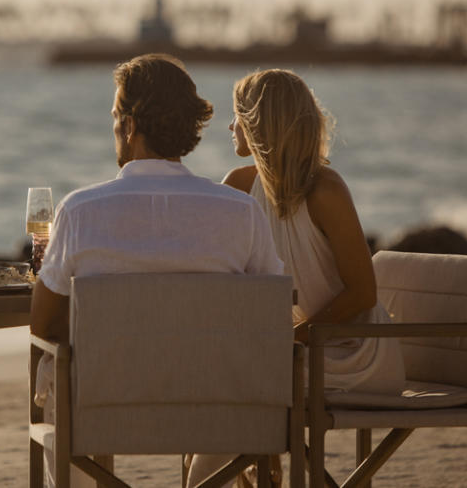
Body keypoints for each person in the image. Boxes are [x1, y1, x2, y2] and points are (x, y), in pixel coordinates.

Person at [30, 54, 284, 488]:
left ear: (129, 126)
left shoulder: (80, 210)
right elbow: (272, 315)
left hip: (103, 409)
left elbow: (44, 322)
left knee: (51, 365)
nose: (113, 128)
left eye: (114, 117)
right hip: (217, 413)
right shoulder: (240, 211)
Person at [186, 69, 406, 487]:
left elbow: (363, 293)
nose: (230, 126)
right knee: (212, 373)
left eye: (237, 115)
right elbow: (225, 281)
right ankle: (260, 454)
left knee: (231, 384)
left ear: (259, 124)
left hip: (350, 350)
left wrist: (295, 339)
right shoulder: (237, 185)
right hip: (286, 352)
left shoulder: (325, 190)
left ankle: (254, 457)